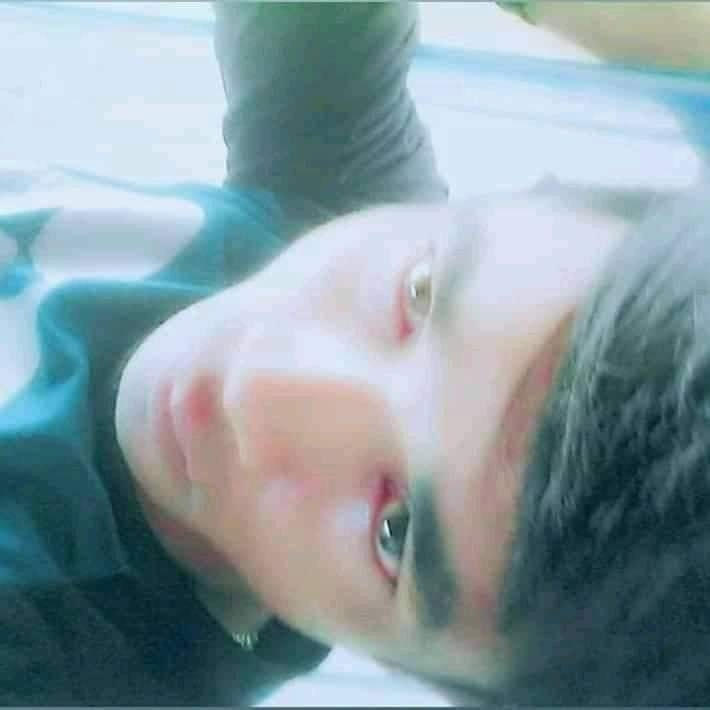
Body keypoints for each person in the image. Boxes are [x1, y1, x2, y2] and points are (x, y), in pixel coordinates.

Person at [0, 2, 708, 706]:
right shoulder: (330, 193)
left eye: (395, 532)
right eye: (421, 293)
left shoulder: (62, 667)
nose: (257, 389)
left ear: (404, 667)